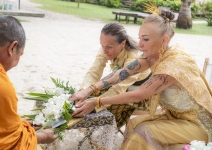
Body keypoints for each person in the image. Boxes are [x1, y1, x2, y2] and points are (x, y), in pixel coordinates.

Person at [71, 9, 212, 149]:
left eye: (145, 39)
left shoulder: (174, 64)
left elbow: (139, 94)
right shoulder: (152, 56)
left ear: (164, 40)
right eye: (139, 38)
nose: (139, 44)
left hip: (196, 124)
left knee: (143, 131)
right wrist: (90, 90)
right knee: (133, 124)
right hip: (174, 116)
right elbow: (121, 73)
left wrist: (97, 101)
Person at [0, 16, 58, 149]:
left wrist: (21, 124)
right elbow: (8, 142)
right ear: (12, 48)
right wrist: (41, 137)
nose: (17, 62)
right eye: (20, 55)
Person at [78, 22, 151, 129]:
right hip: (118, 83)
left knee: (102, 111)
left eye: (109, 47)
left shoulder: (134, 57)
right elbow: (94, 71)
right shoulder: (105, 47)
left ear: (123, 43)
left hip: (139, 94)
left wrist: (95, 104)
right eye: (102, 45)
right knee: (88, 97)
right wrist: (83, 91)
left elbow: (119, 89)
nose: (104, 51)